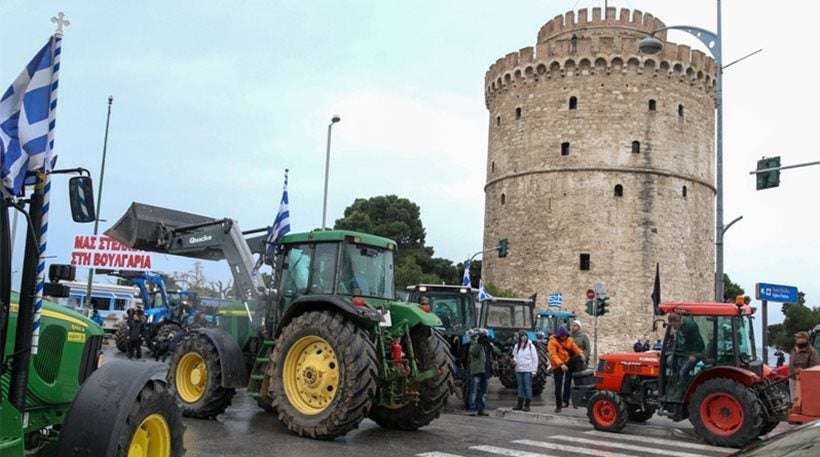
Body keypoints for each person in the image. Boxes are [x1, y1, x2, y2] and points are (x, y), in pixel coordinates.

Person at [666, 312, 705, 400]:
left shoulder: (690, 326)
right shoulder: (680, 328)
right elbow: (680, 343)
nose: (673, 327)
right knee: (669, 360)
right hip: (685, 352)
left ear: (677, 321)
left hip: (696, 352)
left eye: (673, 325)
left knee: (683, 371)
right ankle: (674, 383)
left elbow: (697, 342)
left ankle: (681, 393)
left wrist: (694, 355)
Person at [548, 325, 585, 412]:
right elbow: (553, 355)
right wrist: (561, 364)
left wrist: (581, 354)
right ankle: (558, 406)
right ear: (559, 336)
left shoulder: (569, 340)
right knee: (558, 386)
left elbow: (575, 348)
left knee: (578, 358)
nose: (564, 337)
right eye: (562, 336)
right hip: (557, 365)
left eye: (565, 336)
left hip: (567, 361)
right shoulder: (552, 342)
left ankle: (580, 376)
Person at [789, 331, 820, 414]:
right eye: (796, 338)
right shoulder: (793, 350)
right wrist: (794, 371)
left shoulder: (812, 352)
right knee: (794, 400)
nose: (796, 339)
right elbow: (791, 364)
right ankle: (795, 413)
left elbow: (815, 367)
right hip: (793, 378)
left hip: (805, 381)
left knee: (805, 401)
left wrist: (803, 371)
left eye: (798, 338)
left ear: (805, 339)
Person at [512, 330, 538, 412]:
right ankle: (519, 404)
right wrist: (514, 361)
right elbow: (514, 356)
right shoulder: (517, 346)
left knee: (527, 387)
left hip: (528, 370)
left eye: (525, 336)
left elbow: (535, 359)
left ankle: (527, 405)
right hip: (519, 370)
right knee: (520, 387)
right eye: (522, 336)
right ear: (519, 338)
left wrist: (534, 371)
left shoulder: (531, 346)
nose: (524, 338)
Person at [467, 330, 491, 416]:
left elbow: (494, 353)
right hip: (476, 371)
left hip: (485, 371)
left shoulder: (486, 345)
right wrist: (479, 344)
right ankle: (472, 409)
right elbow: (473, 352)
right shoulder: (474, 345)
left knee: (483, 392)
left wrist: (489, 344)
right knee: (474, 391)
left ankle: (481, 409)